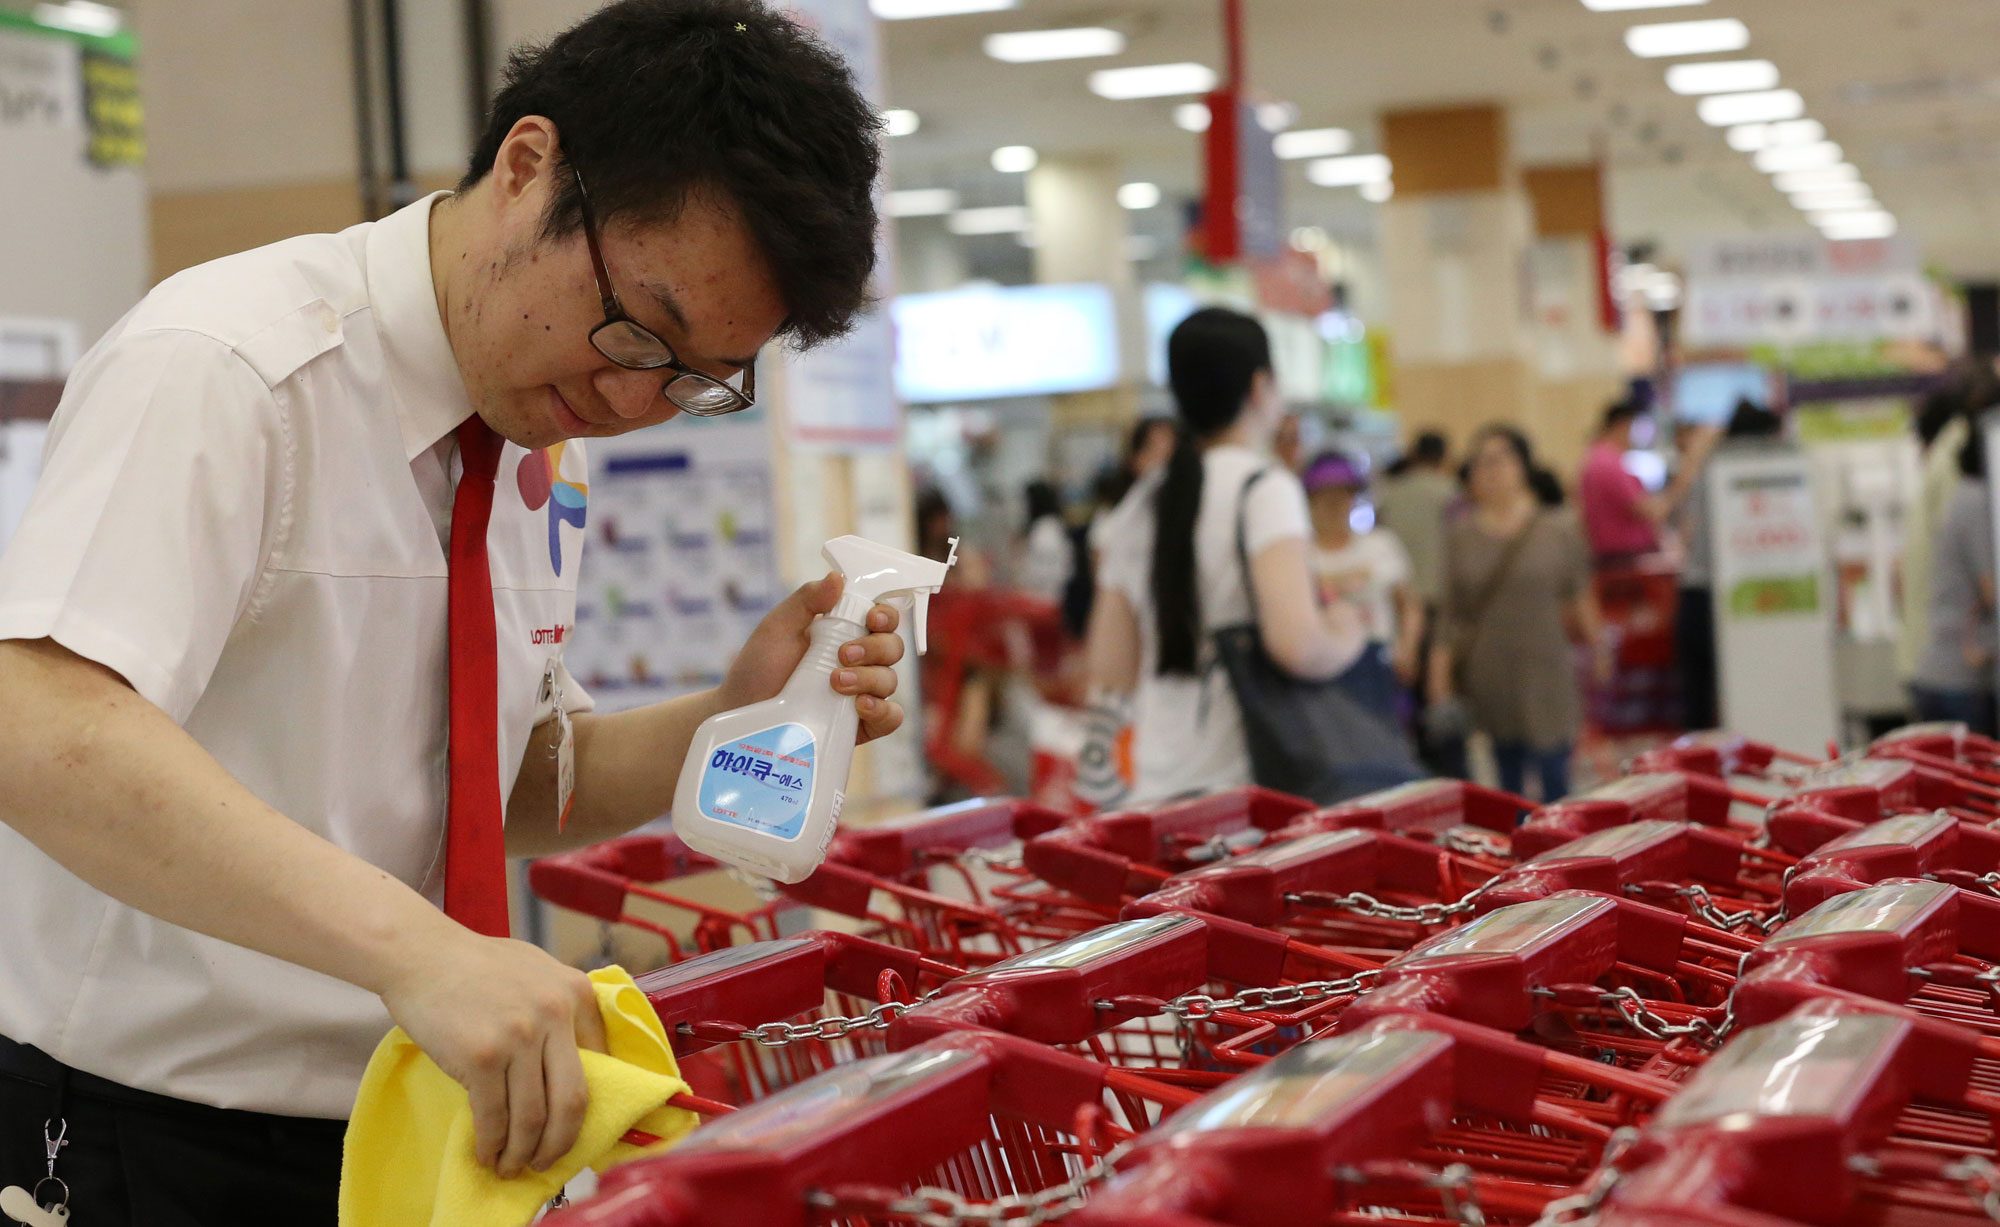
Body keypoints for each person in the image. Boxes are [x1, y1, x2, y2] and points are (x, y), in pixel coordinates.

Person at [0, 3, 903, 1220]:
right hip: (143, 1136)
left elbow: (507, 785)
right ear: (528, 168)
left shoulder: (540, 439)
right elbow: (37, 723)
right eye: (640, 327)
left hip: (405, 1125)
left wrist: (735, 712)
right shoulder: (229, 367)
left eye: (696, 381)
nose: (635, 399)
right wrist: (416, 951)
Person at [1087, 308, 1367, 803]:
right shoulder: (1264, 489)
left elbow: (1111, 666)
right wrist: (1349, 630)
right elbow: (1297, 644)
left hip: (1156, 785)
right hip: (1248, 790)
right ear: (1260, 386)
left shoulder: (1144, 501)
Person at [1429, 425, 1608, 802]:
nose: (1490, 470)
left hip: (1547, 671)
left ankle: (1562, 856)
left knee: (1556, 778)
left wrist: (1599, 649)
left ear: (1522, 466)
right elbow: (1450, 615)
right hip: (1491, 676)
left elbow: (1580, 593)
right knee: (1507, 785)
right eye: (1480, 463)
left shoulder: (1557, 528)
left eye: (1500, 459)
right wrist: (1439, 677)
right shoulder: (1460, 536)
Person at [1676, 400, 1785, 730]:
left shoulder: (1707, 468)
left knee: (1700, 704)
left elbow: (1685, 531)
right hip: (1721, 597)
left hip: (1697, 594)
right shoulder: (1742, 472)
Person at [1300, 450, 1424, 721]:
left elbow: (1409, 604)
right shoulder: (1299, 555)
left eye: (1342, 495)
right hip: (1322, 663)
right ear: (1310, 500)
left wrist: (1407, 646)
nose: (1334, 505)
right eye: (1324, 497)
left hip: (1378, 659)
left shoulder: (1380, 545)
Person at [1910, 424, 1998, 736]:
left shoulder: (1964, 496)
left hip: (1945, 672)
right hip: (1959, 678)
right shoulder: (1977, 501)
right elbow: (1993, 590)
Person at [1578, 400, 1717, 568]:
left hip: (1619, 558)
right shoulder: (1608, 464)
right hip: (1624, 561)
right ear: (1624, 426)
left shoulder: (1597, 459)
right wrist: (1690, 463)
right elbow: (1653, 511)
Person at [1375, 431, 1454, 611]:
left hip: (1399, 593)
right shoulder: (1451, 493)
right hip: (1437, 591)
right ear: (1444, 457)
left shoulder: (1390, 493)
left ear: (1413, 454)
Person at [1016, 480, 1072, 602]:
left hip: (1046, 597)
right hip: (1044, 594)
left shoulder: (1046, 532)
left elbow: (1052, 572)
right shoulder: (1049, 526)